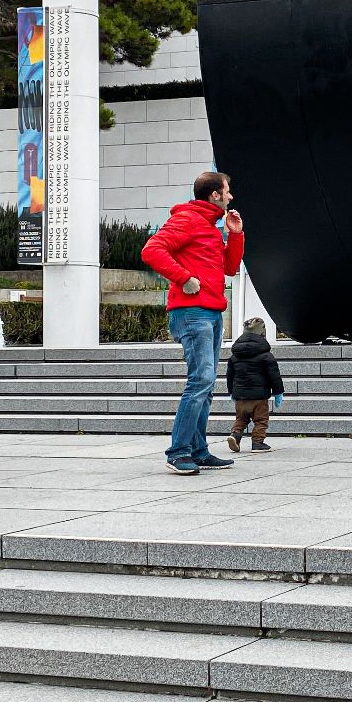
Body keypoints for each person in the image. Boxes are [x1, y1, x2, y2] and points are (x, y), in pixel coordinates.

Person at [141, 171, 245, 476]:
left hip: (210, 311)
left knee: (207, 384)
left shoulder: (211, 227)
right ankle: (179, 451)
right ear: (214, 195)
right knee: (200, 381)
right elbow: (151, 250)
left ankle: (199, 451)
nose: (230, 197)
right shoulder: (187, 219)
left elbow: (229, 267)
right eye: (227, 191)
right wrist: (184, 279)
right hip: (192, 312)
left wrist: (235, 234)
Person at [225, 317, 285, 453]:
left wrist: (231, 392)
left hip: (240, 396)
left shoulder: (235, 356)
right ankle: (257, 443)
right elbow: (274, 376)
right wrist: (278, 392)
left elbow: (230, 376)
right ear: (262, 333)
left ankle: (235, 435)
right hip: (259, 397)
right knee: (261, 420)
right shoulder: (266, 355)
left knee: (241, 419)